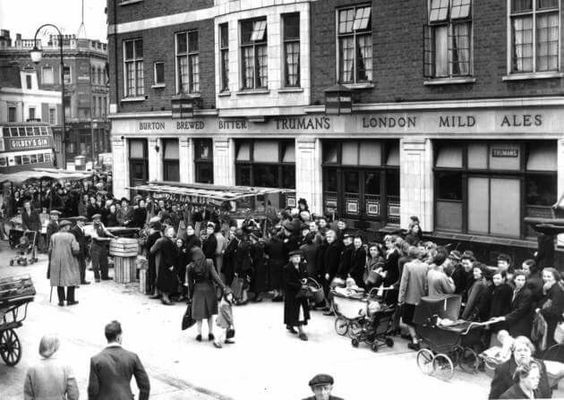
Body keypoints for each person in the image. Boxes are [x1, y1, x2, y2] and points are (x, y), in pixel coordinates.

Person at [87, 320, 150, 400]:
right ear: (118, 337)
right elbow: (145, 385)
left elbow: (93, 390)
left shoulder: (96, 360)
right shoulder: (132, 357)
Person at [186, 247, 230, 342]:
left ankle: (199, 334)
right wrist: (224, 287)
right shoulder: (209, 263)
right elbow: (215, 277)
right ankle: (210, 333)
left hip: (198, 290)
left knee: (199, 314)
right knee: (209, 313)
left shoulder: (190, 267)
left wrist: (190, 296)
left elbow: (190, 284)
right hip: (209, 289)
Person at [24, 334, 79, 400]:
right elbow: (73, 395)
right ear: (55, 348)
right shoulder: (66, 367)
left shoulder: (32, 369)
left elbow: (28, 396)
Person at [398, 246, 429, 350]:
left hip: (409, 298)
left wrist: (400, 298)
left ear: (409, 255)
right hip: (422, 298)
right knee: (418, 319)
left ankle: (415, 340)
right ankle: (420, 338)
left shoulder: (407, 266)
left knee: (408, 320)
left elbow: (404, 283)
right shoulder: (426, 266)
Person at [49, 220, 80, 307]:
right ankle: (70, 300)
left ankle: (61, 301)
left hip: (56, 261)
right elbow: (76, 250)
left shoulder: (53, 236)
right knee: (71, 279)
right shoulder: (71, 236)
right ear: (65, 227)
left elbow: (50, 250)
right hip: (69, 260)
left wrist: (50, 260)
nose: (69, 228)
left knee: (59, 280)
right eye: (68, 226)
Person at [498, 271, 534, 339]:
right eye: (519, 280)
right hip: (514, 322)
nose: (521, 282)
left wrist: (506, 317)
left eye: (523, 280)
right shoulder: (515, 290)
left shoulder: (527, 293)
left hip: (521, 324)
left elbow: (521, 310)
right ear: (514, 280)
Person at [283, 250, 310, 341]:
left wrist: (305, 280)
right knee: (297, 311)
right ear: (291, 259)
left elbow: (306, 275)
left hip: (301, 293)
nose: (298, 258)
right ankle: (301, 331)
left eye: (298, 256)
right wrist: (299, 285)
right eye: (295, 257)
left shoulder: (302, 266)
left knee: (299, 311)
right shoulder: (287, 268)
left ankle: (290, 324)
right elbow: (287, 282)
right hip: (292, 294)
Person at [536, 267, 564, 348]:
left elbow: (555, 309)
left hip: (552, 321)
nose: (546, 278)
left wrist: (540, 311)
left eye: (549, 276)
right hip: (549, 318)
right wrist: (544, 291)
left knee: (549, 342)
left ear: (555, 277)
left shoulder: (557, 290)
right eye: (544, 276)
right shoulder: (549, 286)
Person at [150, 226, 179, 305]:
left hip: (164, 264)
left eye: (172, 231)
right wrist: (170, 265)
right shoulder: (165, 241)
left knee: (165, 281)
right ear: (166, 232)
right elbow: (167, 254)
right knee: (166, 281)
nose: (171, 232)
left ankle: (164, 298)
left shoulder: (167, 240)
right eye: (170, 231)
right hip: (166, 264)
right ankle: (165, 299)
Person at [90, 214, 116, 282]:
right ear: (94, 220)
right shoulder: (92, 227)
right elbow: (97, 238)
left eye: (99, 219)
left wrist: (113, 236)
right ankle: (97, 277)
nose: (98, 220)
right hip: (95, 246)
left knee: (104, 261)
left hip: (102, 246)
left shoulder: (101, 224)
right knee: (95, 262)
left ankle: (105, 276)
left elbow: (105, 231)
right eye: (96, 219)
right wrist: (107, 238)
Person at [70, 216, 90, 285]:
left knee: (83, 266)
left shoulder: (82, 229)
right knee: (79, 266)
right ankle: (78, 280)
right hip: (78, 250)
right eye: (81, 221)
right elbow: (73, 241)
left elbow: (83, 240)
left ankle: (82, 280)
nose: (83, 223)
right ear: (77, 221)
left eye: (83, 221)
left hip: (82, 250)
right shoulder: (74, 229)